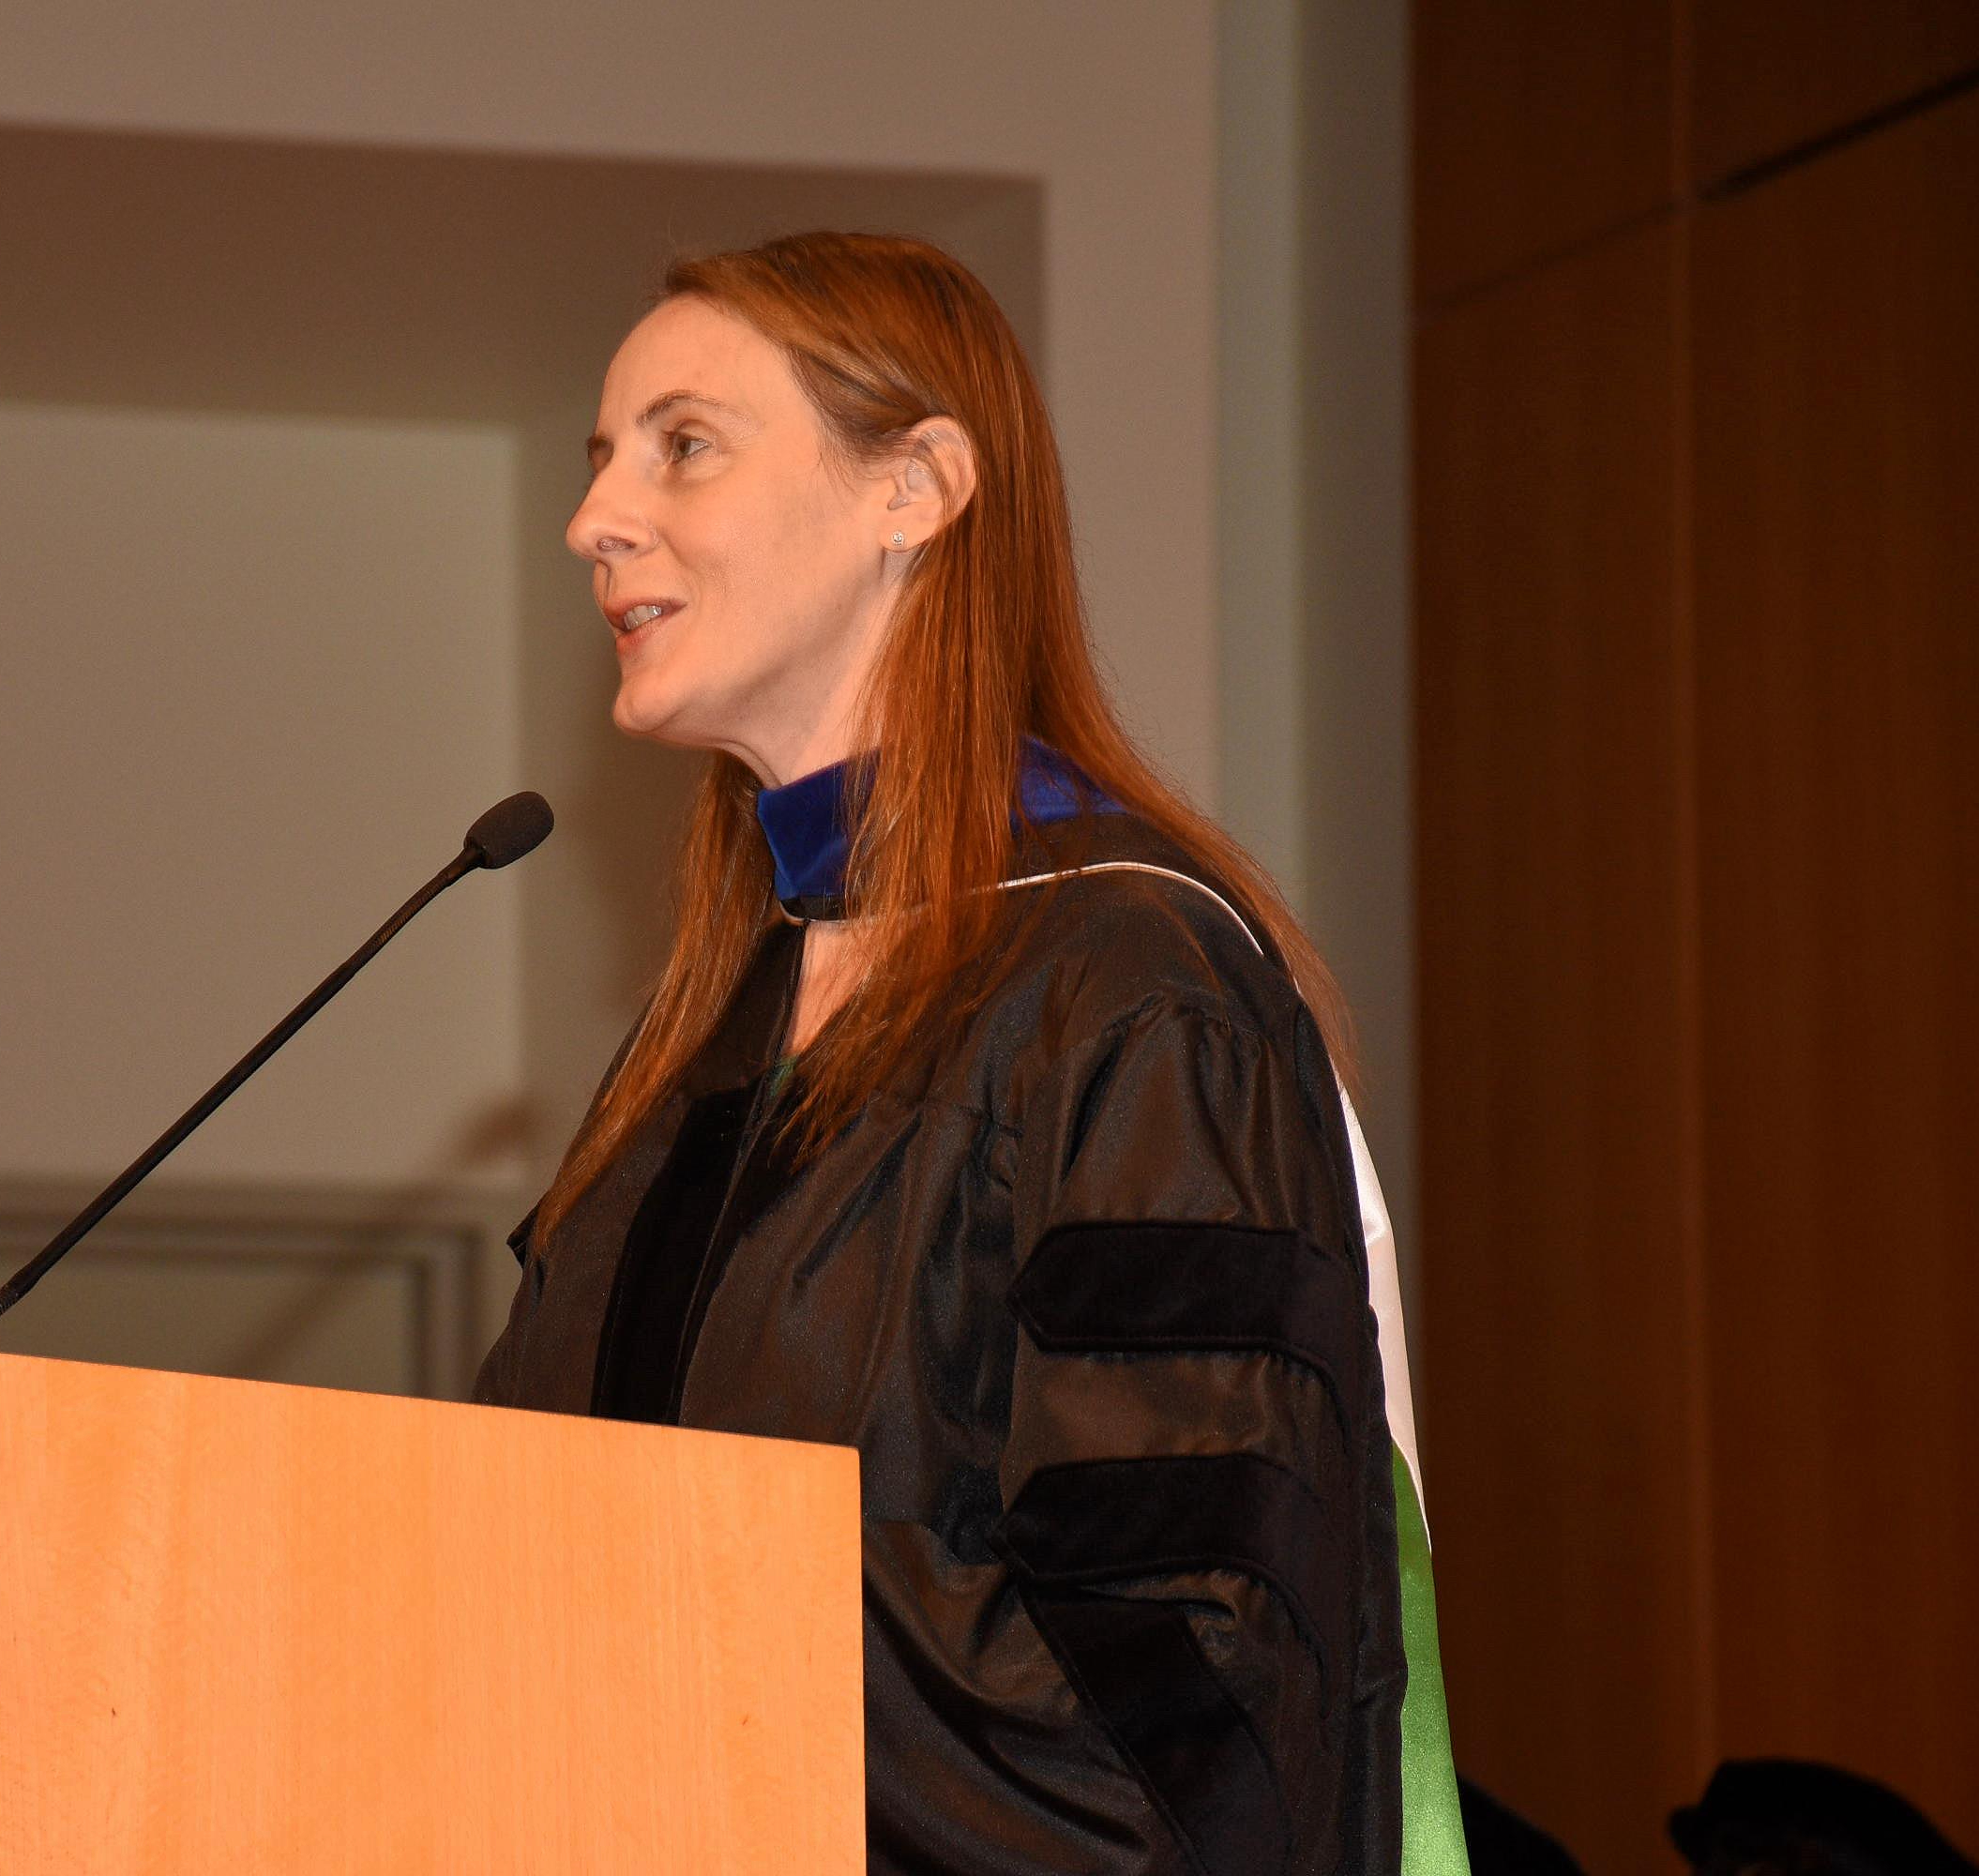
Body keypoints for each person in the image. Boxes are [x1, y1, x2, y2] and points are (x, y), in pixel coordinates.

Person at [470, 231, 1468, 1875]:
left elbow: (1179, 1709)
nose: (593, 520)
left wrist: (660, 1592)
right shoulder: (700, 1048)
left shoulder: (1135, 992)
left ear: (916, 488)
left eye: (683, 447)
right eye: (601, 462)